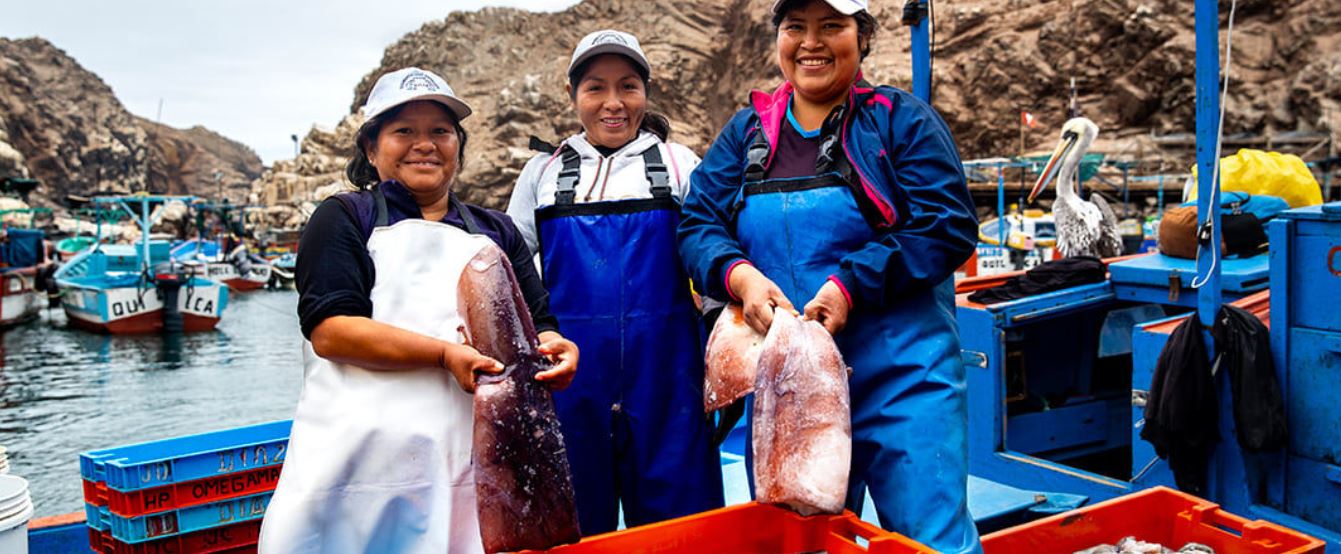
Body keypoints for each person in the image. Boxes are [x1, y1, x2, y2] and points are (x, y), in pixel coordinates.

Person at [676, 1, 982, 552]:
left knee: (929, 540)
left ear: (862, 38)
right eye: (796, 28)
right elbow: (698, 223)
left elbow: (947, 226)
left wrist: (849, 285)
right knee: (801, 543)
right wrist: (738, 275)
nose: (810, 43)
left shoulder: (900, 121)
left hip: (904, 384)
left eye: (831, 27)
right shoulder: (747, 134)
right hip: (790, 391)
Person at [259, 67, 578, 553]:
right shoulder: (344, 218)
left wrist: (556, 348)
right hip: (356, 471)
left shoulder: (496, 233)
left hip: (467, 471)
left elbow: (539, 326)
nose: (424, 144)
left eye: (440, 131)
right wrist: (445, 355)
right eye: (403, 131)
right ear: (371, 147)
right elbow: (331, 331)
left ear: (458, 145)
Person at [506, 30, 724, 535]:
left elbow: (709, 252)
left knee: (684, 532)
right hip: (568, 382)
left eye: (628, 86)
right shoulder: (543, 171)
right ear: (572, 96)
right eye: (595, 88)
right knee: (573, 527)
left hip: (670, 382)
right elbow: (511, 266)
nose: (613, 103)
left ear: (646, 93)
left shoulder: (679, 164)